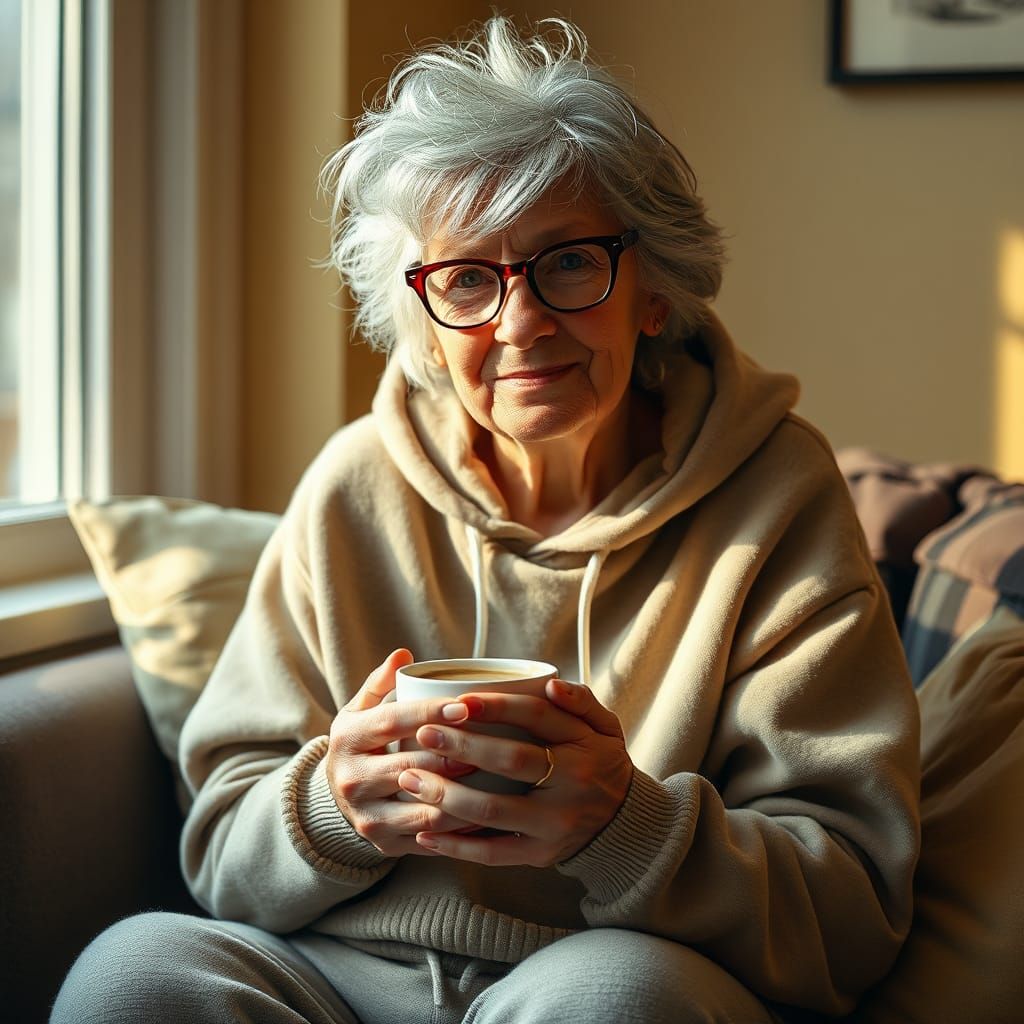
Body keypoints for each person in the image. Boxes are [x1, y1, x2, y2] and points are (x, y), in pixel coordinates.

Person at [51, 15, 919, 1024]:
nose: (518, 322)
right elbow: (220, 854)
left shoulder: (776, 497)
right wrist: (333, 804)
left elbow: (849, 911)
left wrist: (625, 824)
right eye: (465, 277)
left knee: (612, 998)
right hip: (335, 972)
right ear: (418, 318)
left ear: (649, 287)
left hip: (611, 960)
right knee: (138, 967)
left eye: (566, 263)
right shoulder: (353, 486)